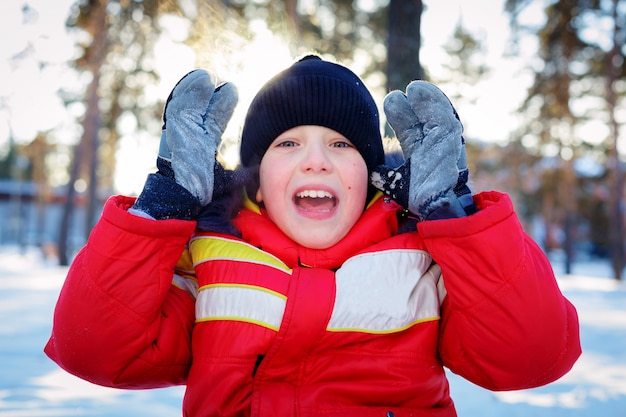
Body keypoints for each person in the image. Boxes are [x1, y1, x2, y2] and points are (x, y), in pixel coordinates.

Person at [45, 54, 581, 416]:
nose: (317, 161)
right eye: (288, 144)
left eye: (342, 145)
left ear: (371, 173)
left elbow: (530, 357)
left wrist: (456, 217)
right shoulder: (207, 259)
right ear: (255, 174)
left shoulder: (422, 260)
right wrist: (164, 210)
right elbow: (93, 350)